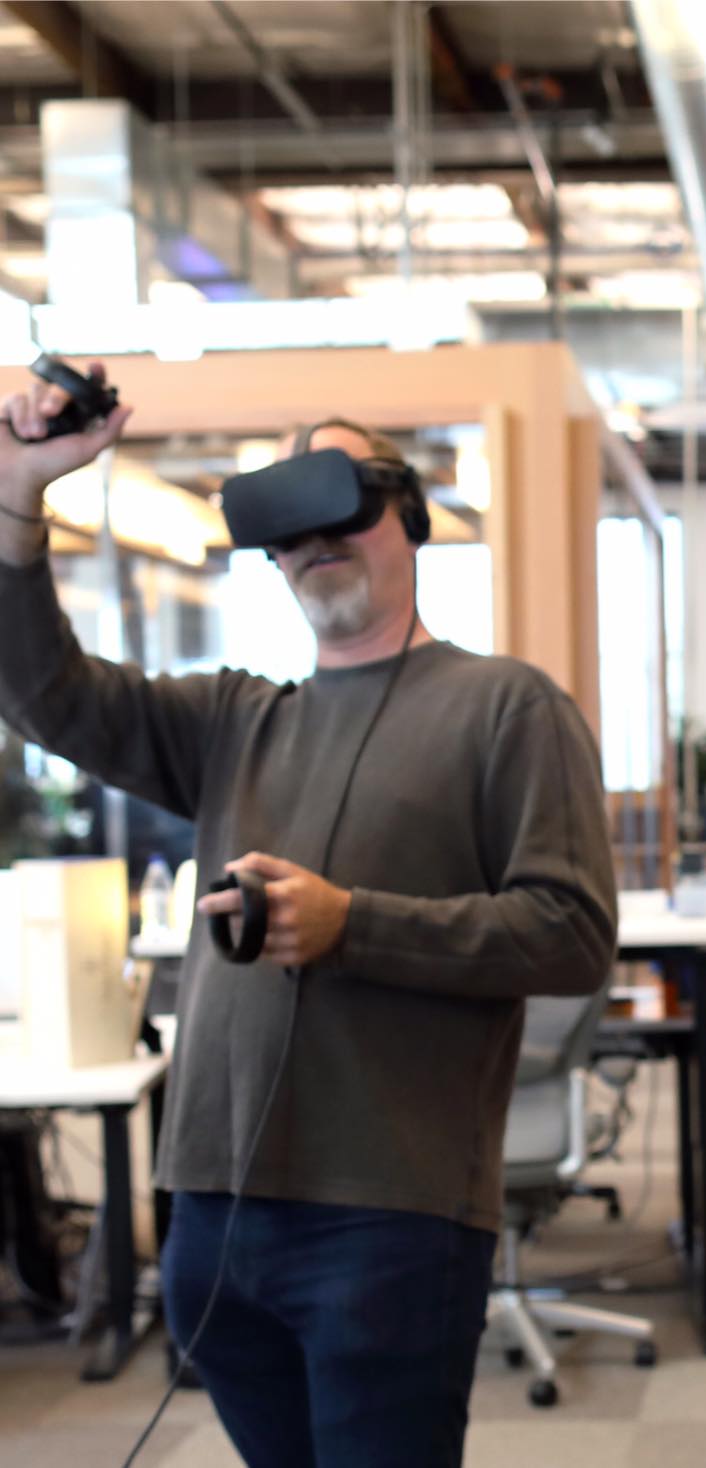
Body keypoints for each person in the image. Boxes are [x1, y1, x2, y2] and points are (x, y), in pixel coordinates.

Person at [0, 373, 618, 1466]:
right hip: (212, 1210)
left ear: (408, 516)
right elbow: (47, 696)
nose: (315, 538)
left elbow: (570, 933)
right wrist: (16, 503)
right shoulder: (233, 720)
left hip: (388, 1214)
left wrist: (352, 925)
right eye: (286, 520)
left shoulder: (507, 707)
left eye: (344, 499)